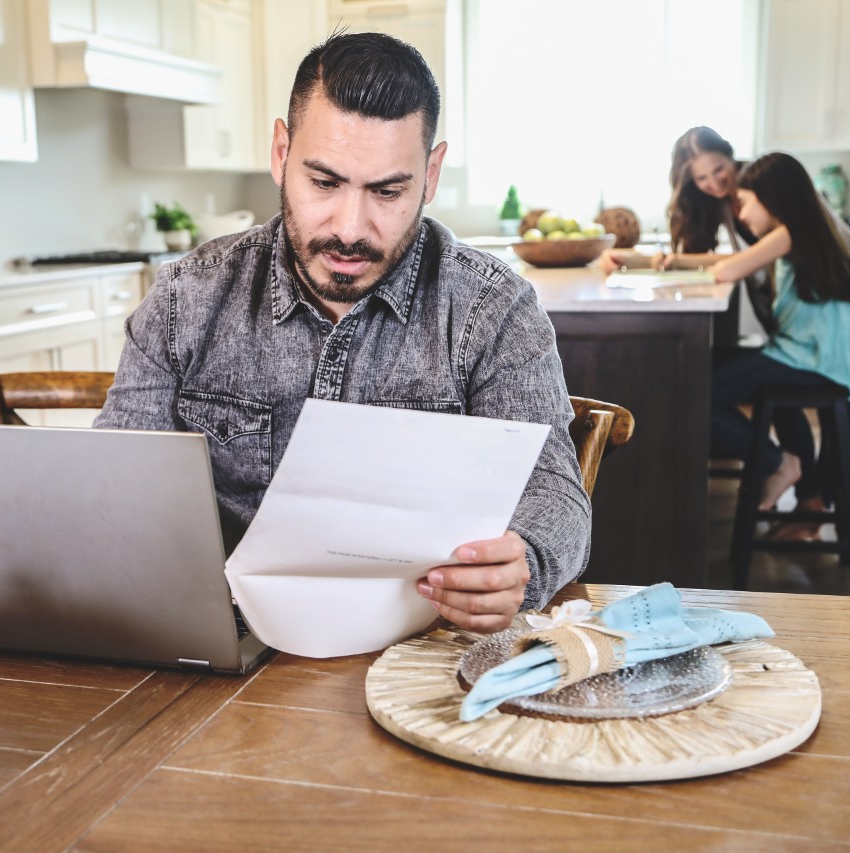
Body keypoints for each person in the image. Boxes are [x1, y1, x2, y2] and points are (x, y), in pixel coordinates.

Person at [93, 32, 591, 634]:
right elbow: (114, 494)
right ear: (280, 152)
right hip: (226, 649)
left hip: (423, 648)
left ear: (430, 175)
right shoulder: (184, 301)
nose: (350, 229)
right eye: (324, 183)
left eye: (387, 191)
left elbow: (556, 495)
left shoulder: (493, 309)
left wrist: (523, 563)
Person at [657, 152, 850, 535]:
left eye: (746, 202)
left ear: (774, 200)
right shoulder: (804, 230)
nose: (741, 213)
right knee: (705, 374)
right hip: (806, 355)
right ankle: (796, 484)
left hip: (809, 360)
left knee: (693, 391)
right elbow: (731, 259)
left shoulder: (789, 232)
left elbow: (728, 267)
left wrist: (678, 264)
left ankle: (776, 463)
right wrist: (674, 261)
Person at [599, 126, 850, 353]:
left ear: (730, 156)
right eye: (701, 179)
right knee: (816, 387)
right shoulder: (726, 201)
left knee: (835, 387)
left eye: (718, 169)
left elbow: (753, 256)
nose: (714, 183)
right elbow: (748, 257)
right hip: (816, 299)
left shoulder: (766, 181)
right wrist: (658, 261)